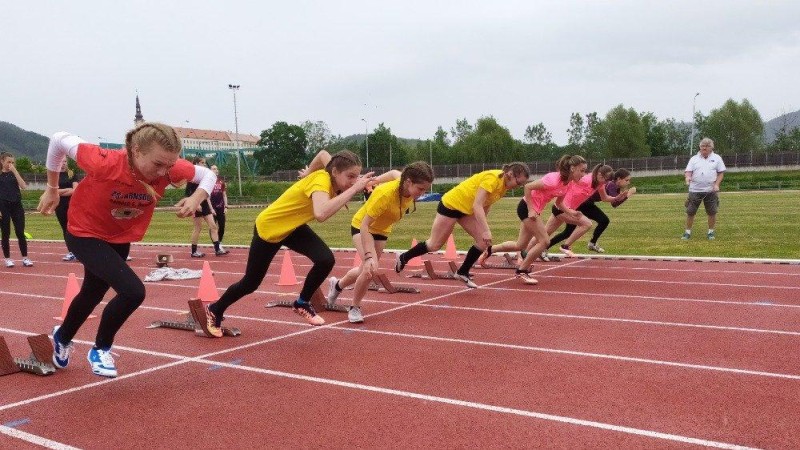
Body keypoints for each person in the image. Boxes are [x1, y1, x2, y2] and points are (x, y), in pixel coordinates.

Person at [38, 123, 216, 378]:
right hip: (84, 232)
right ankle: (100, 348)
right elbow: (57, 139)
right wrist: (53, 189)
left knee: (91, 293)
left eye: (169, 165)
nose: (165, 172)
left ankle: (62, 338)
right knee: (133, 292)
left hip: (119, 235)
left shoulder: (169, 168)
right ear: (136, 151)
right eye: (158, 164)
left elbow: (207, 176)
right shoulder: (104, 161)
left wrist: (196, 198)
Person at [195, 150, 375, 337]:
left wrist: (308, 173)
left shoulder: (334, 170)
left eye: (357, 176)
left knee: (325, 259)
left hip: (292, 227)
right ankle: (215, 309)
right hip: (270, 228)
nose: (354, 181)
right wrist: (352, 189)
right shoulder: (321, 180)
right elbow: (321, 213)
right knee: (250, 283)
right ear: (335, 172)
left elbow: (323, 155)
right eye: (351, 177)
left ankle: (302, 303)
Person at [394, 162, 531, 289]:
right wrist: (485, 230)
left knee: (483, 241)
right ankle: (404, 257)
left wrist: (482, 227)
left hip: (466, 210)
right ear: (510, 175)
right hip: (451, 205)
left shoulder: (503, 187)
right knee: (434, 245)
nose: (518, 186)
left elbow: (485, 204)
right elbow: (477, 205)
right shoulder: (492, 179)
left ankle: (462, 272)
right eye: (518, 183)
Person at [327, 162, 434, 323]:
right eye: (420, 189)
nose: (422, 193)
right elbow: (365, 226)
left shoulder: (402, 179)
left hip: (382, 231)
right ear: (409, 182)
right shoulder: (385, 194)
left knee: (365, 269)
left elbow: (392, 173)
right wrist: (369, 255)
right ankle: (355, 308)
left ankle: (337, 285)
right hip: (362, 227)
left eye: (425, 189)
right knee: (370, 269)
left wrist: (373, 180)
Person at [480, 155, 587, 285]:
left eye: (585, 171)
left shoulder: (568, 184)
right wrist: (531, 209)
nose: (584, 174)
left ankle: (491, 249)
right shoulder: (553, 179)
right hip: (526, 208)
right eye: (581, 170)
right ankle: (522, 270)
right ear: (572, 168)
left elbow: (560, 203)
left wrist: (572, 212)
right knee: (545, 241)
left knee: (520, 245)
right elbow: (528, 187)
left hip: (534, 211)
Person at [540, 164, 622, 257]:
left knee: (544, 233)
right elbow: (570, 180)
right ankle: (565, 246)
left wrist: (616, 198)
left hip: (565, 209)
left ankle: (532, 251)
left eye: (607, 180)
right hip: (562, 208)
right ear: (598, 173)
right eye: (604, 178)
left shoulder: (600, 184)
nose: (605, 182)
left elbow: (605, 198)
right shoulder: (586, 180)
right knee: (586, 224)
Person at [683, 137, 725, 240]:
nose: (704, 148)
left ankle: (711, 232)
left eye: (707, 146)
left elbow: (721, 173)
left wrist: (717, 185)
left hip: (710, 190)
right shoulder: (694, 159)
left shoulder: (717, 158)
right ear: (700, 147)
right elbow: (688, 171)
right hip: (695, 190)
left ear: (711, 147)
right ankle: (687, 232)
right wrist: (688, 178)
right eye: (702, 146)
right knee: (690, 212)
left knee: (712, 212)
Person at [186, 156, 227, 257]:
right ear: (196, 163)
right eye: (202, 163)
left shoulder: (204, 176)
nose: (204, 165)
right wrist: (197, 204)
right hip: (197, 204)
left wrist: (209, 206)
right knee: (198, 228)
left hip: (204, 204)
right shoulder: (192, 177)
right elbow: (188, 192)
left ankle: (217, 249)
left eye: (204, 163)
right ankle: (194, 251)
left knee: (213, 226)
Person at [0, 152, 33, 268]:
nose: (11, 164)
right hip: (3, 206)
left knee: (20, 232)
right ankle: (8, 258)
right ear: (2, 161)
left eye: (13, 162)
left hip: (17, 205)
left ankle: (25, 258)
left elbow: (23, 186)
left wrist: (15, 171)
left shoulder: (15, 174)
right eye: (8, 162)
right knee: (5, 233)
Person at [55, 159, 79, 261]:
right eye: (61, 161)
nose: (63, 163)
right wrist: (67, 190)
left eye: (64, 161)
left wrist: (61, 192)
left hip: (72, 204)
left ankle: (79, 251)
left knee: (74, 228)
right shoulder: (54, 175)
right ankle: (71, 251)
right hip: (60, 205)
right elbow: (53, 191)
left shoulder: (72, 174)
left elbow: (75, 190)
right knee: (65, 228)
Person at [209, 165, 229, 252]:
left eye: (217, 168)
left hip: (221, 207)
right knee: (213, 227)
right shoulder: (208, 181)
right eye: (213, 169)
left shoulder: (221, 182)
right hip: (211, 208)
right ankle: (216, 244)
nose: (216, 170)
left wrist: (226, 206)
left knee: (222, 226)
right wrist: (211, 209)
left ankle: (219, 242)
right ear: (210, 170)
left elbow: (224, 194)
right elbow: (206, 196)